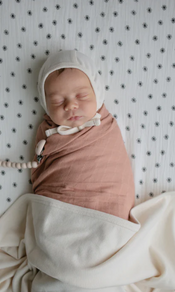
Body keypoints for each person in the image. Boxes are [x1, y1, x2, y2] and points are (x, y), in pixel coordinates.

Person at [31, 49, 135, 220]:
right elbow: (40, 171)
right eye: (57, 101)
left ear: (97, 92)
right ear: (45, 103)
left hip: (109, 208)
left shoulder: (106, 128)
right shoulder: (46, 133)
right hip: (59, 209)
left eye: (82, 95)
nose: (71, 105)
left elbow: (117, 171)